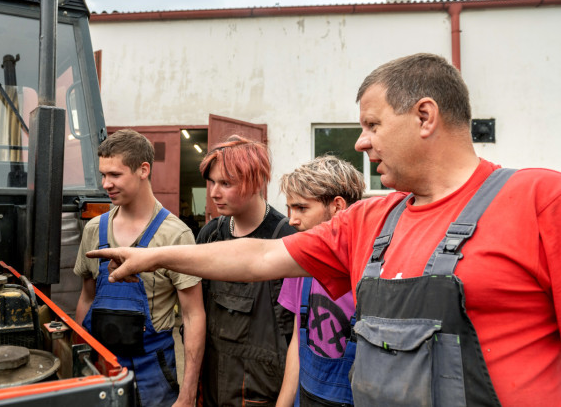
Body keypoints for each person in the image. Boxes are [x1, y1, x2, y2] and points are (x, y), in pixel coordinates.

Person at [88, 53, 561, 406]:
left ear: (424, 116)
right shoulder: (372, 221)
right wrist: (157, 256)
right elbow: (260, 257)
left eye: (372, 124)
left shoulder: (539, 201)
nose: (361, 141)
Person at [74, 129, 206, 407]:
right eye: (103, 175)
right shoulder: (94, 229)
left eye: (115, 175)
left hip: (153, 370)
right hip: (101, 364)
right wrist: (78, 359)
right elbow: (86, 298)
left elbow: (193, 316)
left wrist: (188, 394)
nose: (105, 184)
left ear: (143, 169)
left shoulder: (175, 236)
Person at [195, 135, 296, 406]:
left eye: (226, 183)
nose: (214, 193)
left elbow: (298, 334)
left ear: (256, 182)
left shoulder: (286, 237)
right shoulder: (211, 235)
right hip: (214, 382)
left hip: (263, 391)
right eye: (212, 182)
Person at [275, 156, 365, 407]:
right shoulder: (300, 266)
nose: (292, 219)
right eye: (289, 208)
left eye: (301, 208)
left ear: (337, 206)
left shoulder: (371, 268)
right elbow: (297, 342)